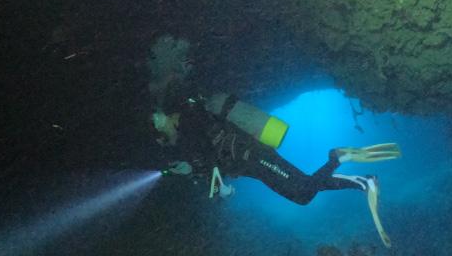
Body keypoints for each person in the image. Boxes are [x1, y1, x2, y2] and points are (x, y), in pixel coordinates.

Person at [154, 94, 401, 247]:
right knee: (302, 192)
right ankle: (361, 181)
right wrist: (194, 170)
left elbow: (209, 159)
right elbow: (210, 158)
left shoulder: (188, 124)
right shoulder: (192, 125)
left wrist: (219, 186)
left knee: (302, 191)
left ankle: (338, 159)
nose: (163, 136)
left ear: (166, 116)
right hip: (253, 163)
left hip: (255, 157)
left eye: (159, 127)